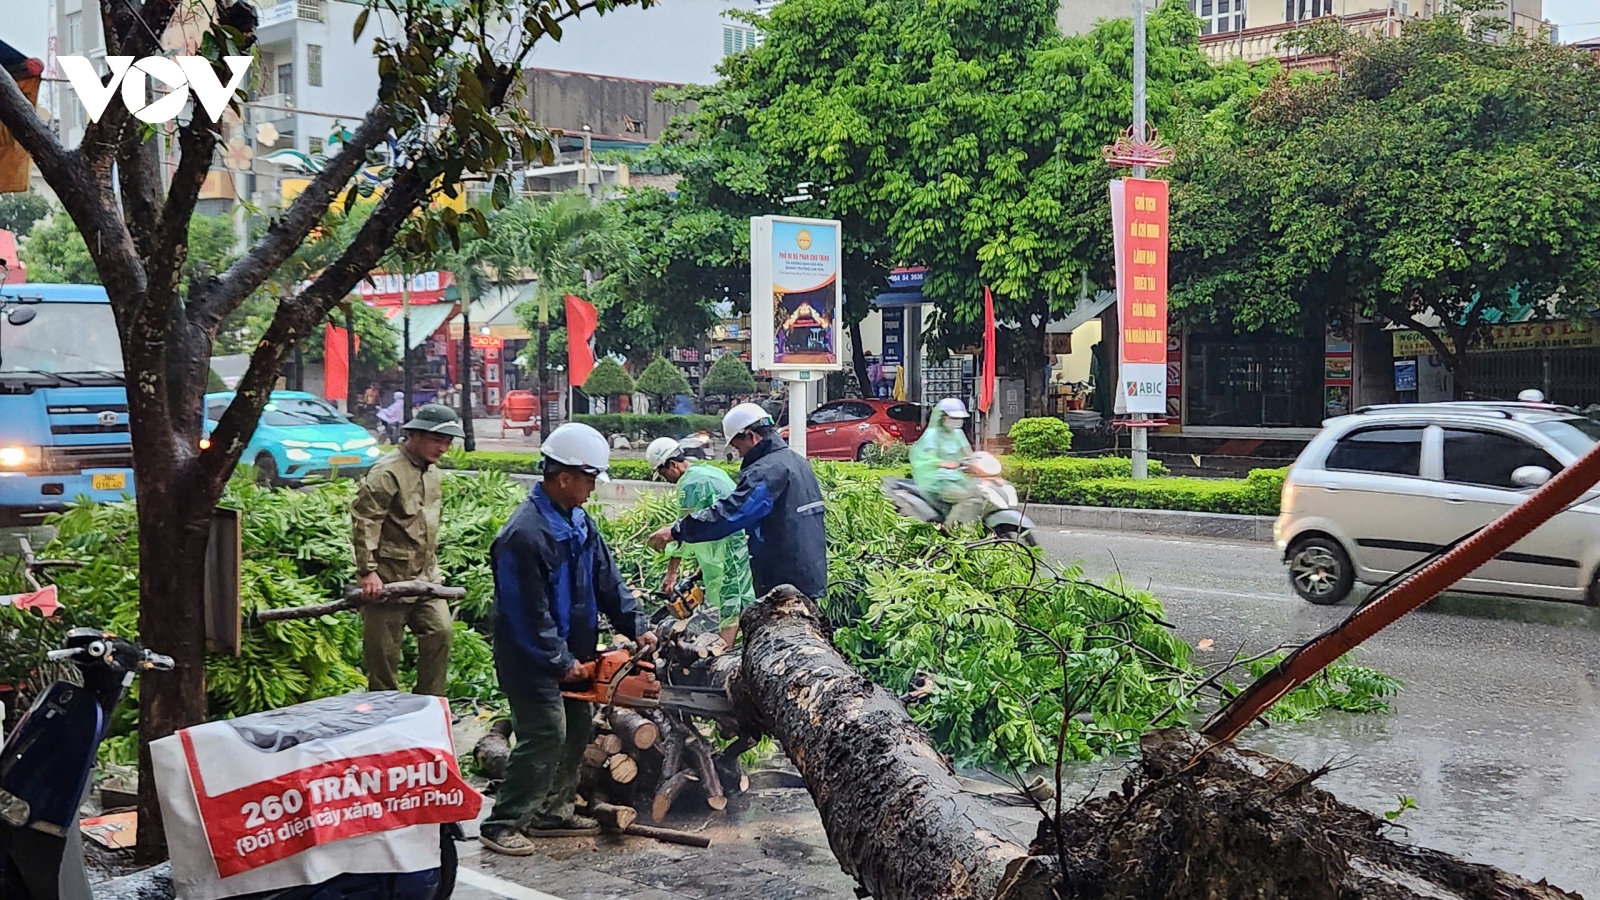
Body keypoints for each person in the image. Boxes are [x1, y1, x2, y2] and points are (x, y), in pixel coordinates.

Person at [480, 423, 657, 854]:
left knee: (576, 730)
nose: (593, 489)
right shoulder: (524, 535)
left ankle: (553, 812)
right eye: (590, 479)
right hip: (530, 657)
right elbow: (525, 612)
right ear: (564, 478)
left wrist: (638, 625)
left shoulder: (578, 522)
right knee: (545, 735)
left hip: (575, 651)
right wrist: (557, 658)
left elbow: (607, 582)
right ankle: (503, 822)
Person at [647, 403, 826, 600]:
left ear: (750, 435)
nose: (740, 454)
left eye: (737, 446)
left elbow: (733, 513)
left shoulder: (767, 471)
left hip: (783, 580)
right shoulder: (796, 461)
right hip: (808, 574)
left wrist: (676, 531)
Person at [350, 403, 463, 696]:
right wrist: (367, 572)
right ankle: (384, 715)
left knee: (440, 633)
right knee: (383, 657)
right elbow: (365, 521)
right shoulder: (387, 473)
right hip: (388, 580)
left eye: (447, 441)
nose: (443, 448)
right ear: (413, 435)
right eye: (437, 439)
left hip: (426, 578)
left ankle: (429, 705)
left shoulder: (432, 473)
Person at [645, 437, 757, 646]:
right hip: (735, 543)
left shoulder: (690, 484)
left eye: (662, 472)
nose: (664, 478)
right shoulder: (708, 470)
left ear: (672, 464)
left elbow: (683, 530)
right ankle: (746, 644)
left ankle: (725, 652)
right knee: (742, 597)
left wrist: (671, 574)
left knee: (731, 598)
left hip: (729, 546)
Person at [910, 398, 974, 513]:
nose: (957, 421)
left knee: (980, 492)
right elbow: (926, 459)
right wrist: (943, 463)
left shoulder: (958, 433)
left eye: (959, 418)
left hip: (958, 478)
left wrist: (977, 461)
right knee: (965, 497)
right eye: (953, 418)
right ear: (942, 417)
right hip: (938, 481)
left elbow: (968, 453)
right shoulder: (932, 435)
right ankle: (951, 528)